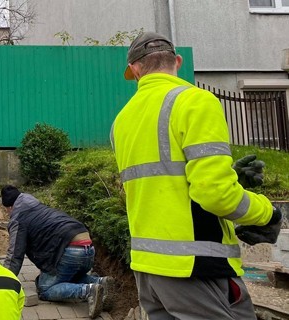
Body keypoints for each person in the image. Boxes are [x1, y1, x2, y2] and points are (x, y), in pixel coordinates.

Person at [111, 31, 282, 319]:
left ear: (135, 70)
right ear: (177, 62)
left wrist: (231, 178)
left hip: (148, 270)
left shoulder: (121, 121)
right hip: (197, 267)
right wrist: (269, 213)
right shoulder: (196, 101)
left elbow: (161, 185)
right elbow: (215, 195)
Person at [0, 185, 112, 319]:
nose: (8, 214)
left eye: (7, 210)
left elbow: (15, 255)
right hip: (88, 248)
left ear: (10, 207)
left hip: (70, 252)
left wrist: (4, 281)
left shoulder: (19, 219)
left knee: (45, 289)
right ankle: (100, 282)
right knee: (67, 275)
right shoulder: (40, 208)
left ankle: (88, 291)